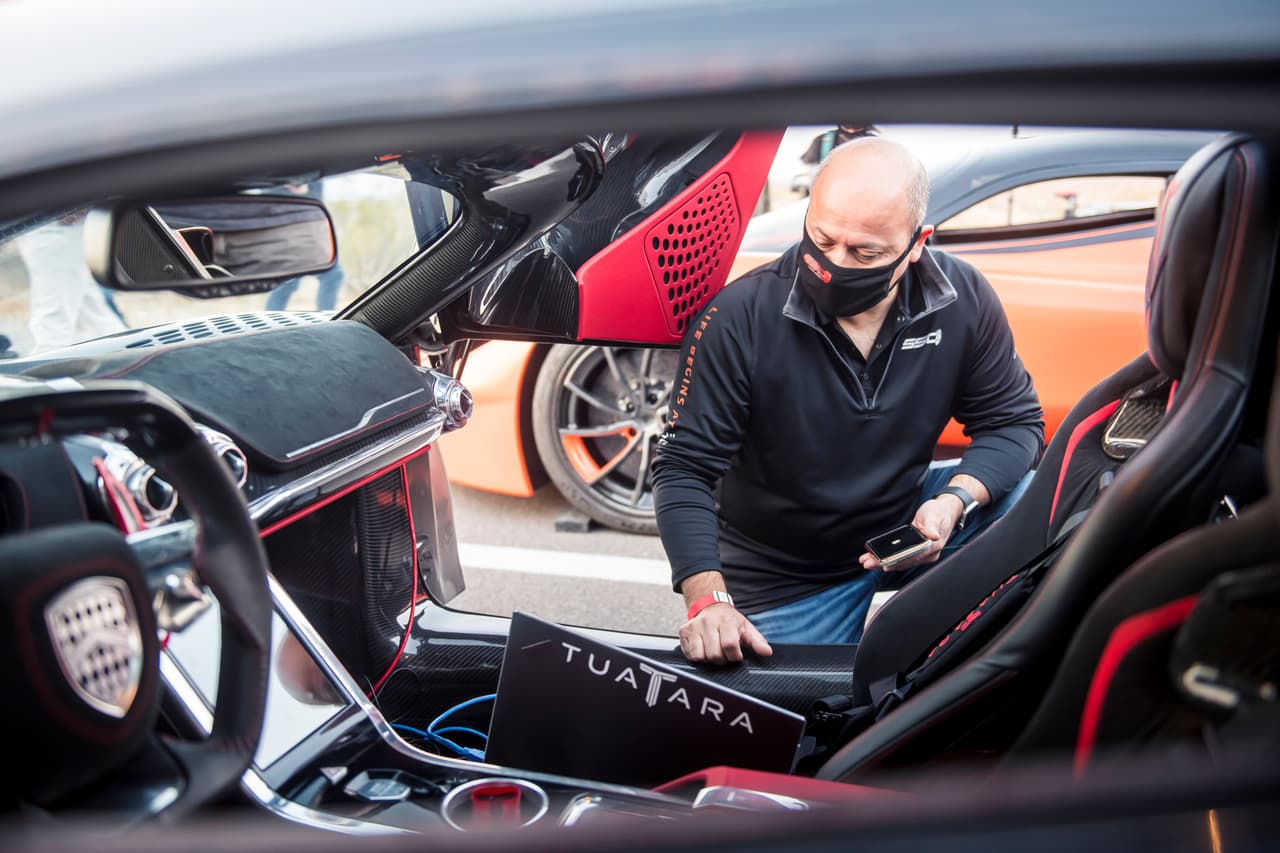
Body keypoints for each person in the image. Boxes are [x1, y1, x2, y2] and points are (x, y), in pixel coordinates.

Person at [652, 138, 1044, 664]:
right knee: (799, 727)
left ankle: (937, 640)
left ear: (918, 242)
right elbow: (682, 468)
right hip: (785, 572)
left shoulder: (962, 297)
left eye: (865, 253)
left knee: (1032, 494)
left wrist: (953, 502)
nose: (834, 265)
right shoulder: (738, 318)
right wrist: (708, 601)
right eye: (823, 239)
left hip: (906, 522)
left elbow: (1013, 423)